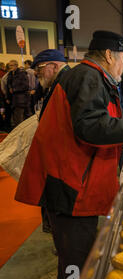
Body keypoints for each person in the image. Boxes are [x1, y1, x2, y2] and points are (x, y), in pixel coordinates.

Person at [15, 30, 123, 279]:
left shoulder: (92, 76)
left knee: (79, 262)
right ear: (109, 55)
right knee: (76, 266)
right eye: (122, 60)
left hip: (75, 185)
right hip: (70, 188)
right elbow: (92, 127)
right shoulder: (88, 76)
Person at [31, 49, 71, 234]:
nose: (37, 73)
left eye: (39, 68)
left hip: (62, 162)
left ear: (54, 66)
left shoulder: (65, 83)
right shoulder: (57, 84)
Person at [6, 60, 32, 127]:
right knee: (16, 119)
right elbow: (8, 86)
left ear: (16, 66)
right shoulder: (10, 74)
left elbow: (26, 86)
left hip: (22, 99)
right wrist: (7, 97)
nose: (10, 67)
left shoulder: (22, 73)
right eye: (9, 65)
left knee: (21, 119)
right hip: (14, 99)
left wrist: (14, 89)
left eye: (12, 65)